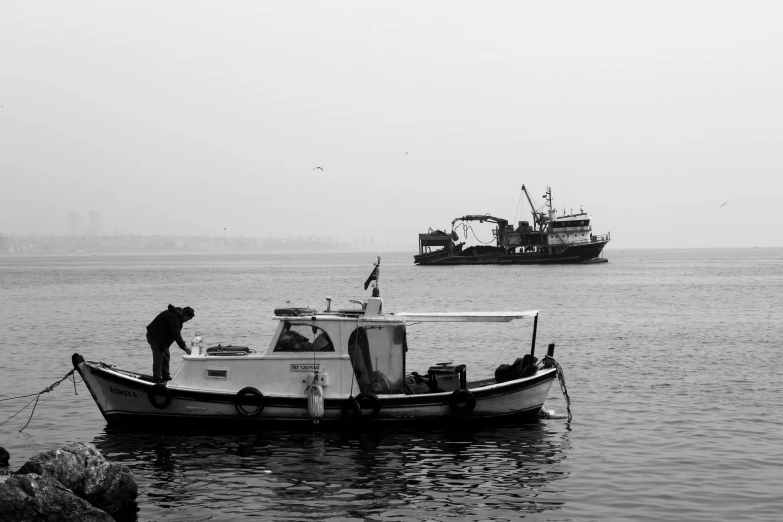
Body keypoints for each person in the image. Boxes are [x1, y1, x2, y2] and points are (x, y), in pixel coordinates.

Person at [146, 304, 194, 383]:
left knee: (166, 356)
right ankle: (157, 378)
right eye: (187, 319)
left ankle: (166, 377)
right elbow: (176, 334)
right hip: (154, 336)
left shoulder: (177, 316)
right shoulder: (174, 317)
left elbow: (174, 333)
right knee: (159, 357)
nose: (186, 321)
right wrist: (184, 347)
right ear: (184, 314)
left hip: (162, 339)